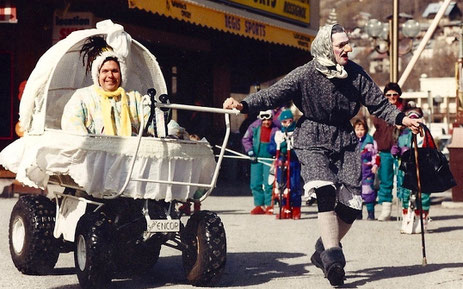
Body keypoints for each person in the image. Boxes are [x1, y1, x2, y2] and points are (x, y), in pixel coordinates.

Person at [223, 23, 422, 286]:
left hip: (345, 138)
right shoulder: (304, 74)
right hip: (312, 136)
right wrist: (243, 104)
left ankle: (323, 248)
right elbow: (273, 94)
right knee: (325, 191)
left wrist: (402, 119)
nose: (348, 48)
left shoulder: (355, 73)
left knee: (351, 207)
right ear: (327, 47)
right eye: (341, 45)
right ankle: (334, 260)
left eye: (348, 43)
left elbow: (378, 102)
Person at [61, 36, 155, 136]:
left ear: (122, 74)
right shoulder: (82, 97)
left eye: (114, 71)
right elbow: (72, 125)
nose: (110, 76)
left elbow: (156, 121)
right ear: (97, 75)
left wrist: (168, 131)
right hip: (94, 151)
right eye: (105, 71)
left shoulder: (135, 99)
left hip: (131, 151)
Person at [391, 107, 431, 234]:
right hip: (406, 169)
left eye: (416, 117)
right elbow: (397, 148)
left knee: (423, 194)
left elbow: (431, 150)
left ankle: (422, 218)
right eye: (411, 118)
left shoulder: (425, 134)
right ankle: (407, 217)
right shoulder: (403, 135)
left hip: (421, 168)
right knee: (405, 192)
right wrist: (397, 151)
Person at [372, 82, 408, 221]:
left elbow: (417, 116)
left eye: (394, 94)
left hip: (401, 150)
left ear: (399, 95)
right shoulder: (380, 110)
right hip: (385, 149)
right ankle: (386, 209)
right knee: (385, 179)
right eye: (388, 95)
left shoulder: (405, 109)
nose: (392, 97)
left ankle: (404, 208)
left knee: (402, 179)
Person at [242, 109, 279, 215]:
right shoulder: (254, 127)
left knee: (269, 183)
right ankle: (259, 205)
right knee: (255, 182)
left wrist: (276, 156)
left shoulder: (276, 129)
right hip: (256, 158)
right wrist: (250, 152)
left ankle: (269, 205)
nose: (266, 122)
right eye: (264, 120)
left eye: (269, 120)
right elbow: (246, 139)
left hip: (270, 159)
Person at [268, 109, 302, 219]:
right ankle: (283, 207)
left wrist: (291, 148)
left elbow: (300, 150)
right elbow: (271, 148)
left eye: (289, 121)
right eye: (284, 122)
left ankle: (296, 208)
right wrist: (281, 144)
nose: (287, 124)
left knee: (294, 185)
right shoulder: (278, 133)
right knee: (281, 185)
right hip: (281, 163)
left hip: (293, 163)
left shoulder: (297, 133)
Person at [353, 118, 378, 220]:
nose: (360, 132)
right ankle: (358, 213)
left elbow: (375, 154)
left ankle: (370, 213)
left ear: (365, 130)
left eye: (362, 129)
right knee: (356, 193)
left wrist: (375, 165)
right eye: (357, 130)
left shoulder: (370, 142)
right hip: (355, 171)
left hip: (367, 170)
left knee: (368, 192)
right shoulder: (352, 141)